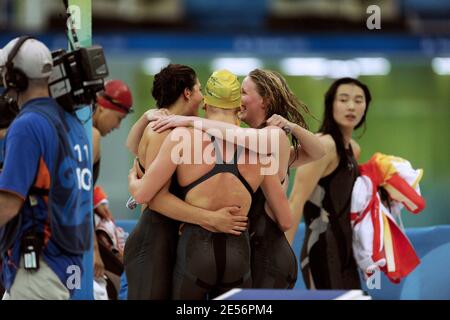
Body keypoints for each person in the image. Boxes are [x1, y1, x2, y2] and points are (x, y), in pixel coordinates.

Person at [149, 69, 325, 289]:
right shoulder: (253, 146)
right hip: (249, 255)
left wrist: (192, 121)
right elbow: (315, 152)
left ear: (265, 101)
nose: (236, 100)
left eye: (242, 92)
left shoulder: (272, 137)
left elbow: (319, 152)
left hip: (267, 259)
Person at [124, 64, 247, 300]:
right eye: (200, 90)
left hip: (170, 237)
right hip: (154, 239)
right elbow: (154, 199)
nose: (203, 100)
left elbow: (133, 146)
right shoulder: (165, 131)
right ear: (187, 93)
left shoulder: (174, 127)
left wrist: (144, 117)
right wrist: (211, 218)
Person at [0, 36, 92, 299]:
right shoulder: (73, 124)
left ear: (16, 78)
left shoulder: (27, 124)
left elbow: (8, 205)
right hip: (64, 263)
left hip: (39, 265)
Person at [286, 77, 372, 289]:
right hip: (321, 252)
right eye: (343, 99)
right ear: (330, 104)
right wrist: (282, 257)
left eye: (358, 100)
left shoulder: (354, 148)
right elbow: (295, 202)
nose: (351, 106)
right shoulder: (323, 146)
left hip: (347, 254)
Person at [91, 79, 134, 299]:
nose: (117, 126)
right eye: (118, 118)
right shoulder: (93, 136)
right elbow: (75, 197)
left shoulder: (77, 130)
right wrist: (94, 251)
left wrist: (96, 196)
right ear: (101, 107)